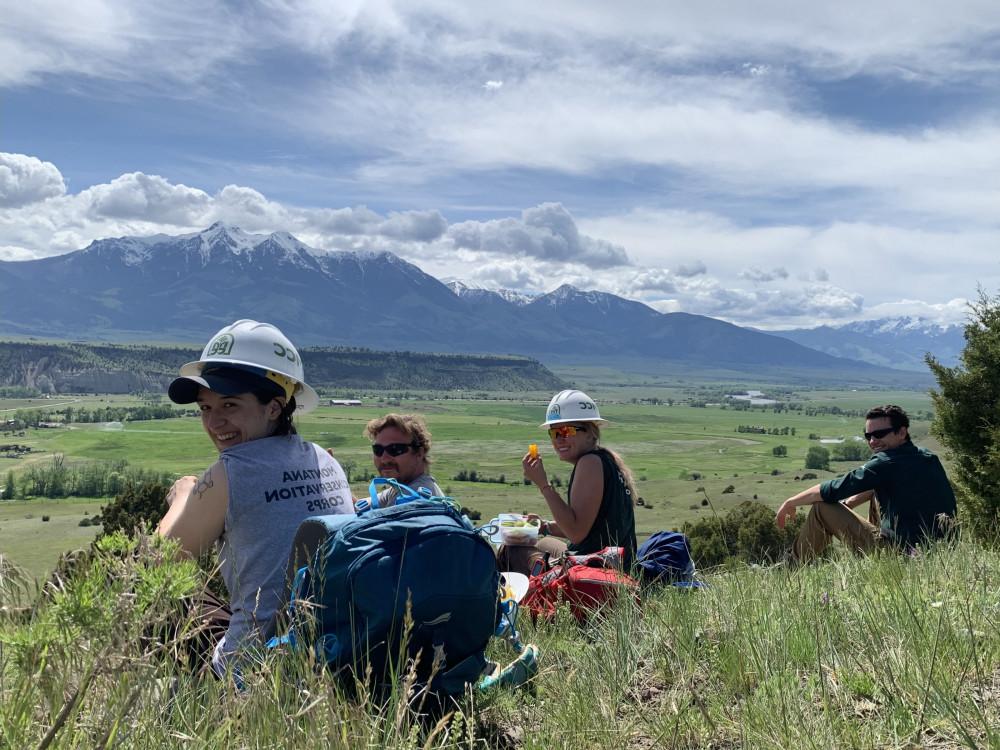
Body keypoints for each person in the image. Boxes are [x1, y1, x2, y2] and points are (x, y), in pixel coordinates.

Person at [156, 319, 353, 676]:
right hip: (332, 656)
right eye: (205, 408)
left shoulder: (231, 470)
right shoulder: (327, 461)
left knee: (162, 594)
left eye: (229, 405)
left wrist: (183, 497)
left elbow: (156, 564)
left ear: (275, 407)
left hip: (254, 672)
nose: (214, 423)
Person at [775, 404, 957, 563]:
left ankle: (793, 566)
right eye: (868, 435)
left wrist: (790, 502)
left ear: (902, 432)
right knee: (874, 490)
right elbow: (878, 482)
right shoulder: (928, 457)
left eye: (879, 434)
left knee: (821, 508)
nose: (872, 441)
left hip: (900, 556)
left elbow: (829, 490)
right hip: (942, 553)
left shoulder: (885, 463)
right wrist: (849, 504)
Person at [508, 390, 638, 575]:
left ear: (590, 433)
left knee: (514, 548)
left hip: (595, 573)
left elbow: (577, 532)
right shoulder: (607, 460)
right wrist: (544, 526)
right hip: (614, 567)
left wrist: (544, 485)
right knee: (542, 542)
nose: (559, 439)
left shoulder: (590, 463)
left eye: (566, 431)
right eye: (554, 433)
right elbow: (590, 525)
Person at [364, 413, 442, 507]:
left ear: (419, 453)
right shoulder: (401, 488)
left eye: (395, 449)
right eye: (378, 450)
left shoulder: (414, 500)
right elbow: (358, 506)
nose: (384, 459)